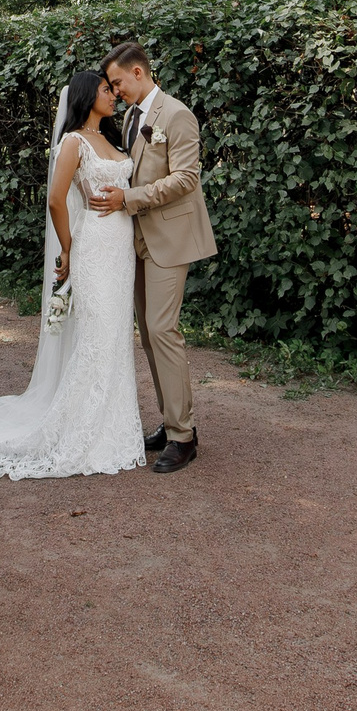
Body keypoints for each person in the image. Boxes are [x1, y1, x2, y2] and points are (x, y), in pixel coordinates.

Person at [0, 69, 147, 479]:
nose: (113, 95)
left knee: (116, 335)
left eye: (112, 90)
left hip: (121, 250)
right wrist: (67, 246)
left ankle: (113, 427)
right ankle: (77, 430)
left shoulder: (113, 140)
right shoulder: (73, 143)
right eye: (104, 90)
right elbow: (56, 199)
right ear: (85, 96)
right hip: (94, 247)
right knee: (97, 335)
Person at [91, 39, 216, 473]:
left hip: (170, 237)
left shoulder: (177, 114)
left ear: (139, 73)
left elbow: (186, 178)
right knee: (148, 334)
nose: (116, 89)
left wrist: (130, 198)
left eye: (118, 81)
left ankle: (184, 436)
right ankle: (170, 420)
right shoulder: (129, 117)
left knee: (163, 329)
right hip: (136, 239)